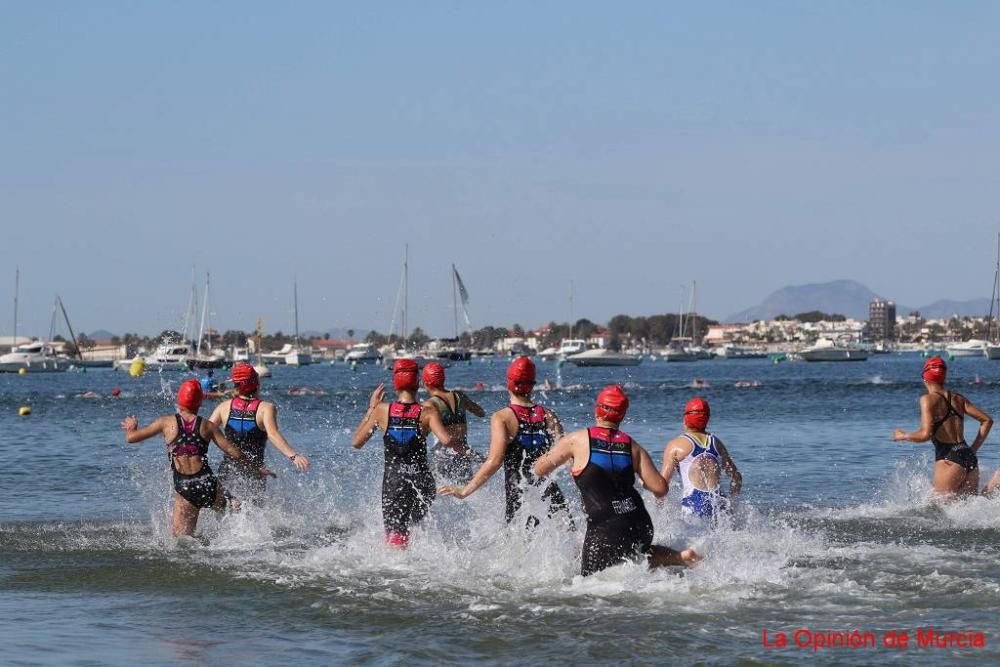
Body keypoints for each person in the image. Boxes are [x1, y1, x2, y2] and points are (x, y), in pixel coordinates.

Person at [534, 385, 701, 575]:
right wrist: (645, 483)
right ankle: (679, 557)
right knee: (637, 556)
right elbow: (661, 488)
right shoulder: (632, 446)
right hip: (639, 521)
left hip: (605, 527)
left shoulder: (576, 440)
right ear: (621, 415)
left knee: (588, 585)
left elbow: (539, 469)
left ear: (598, 410)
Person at [120, 379, 269, 537]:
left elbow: (131, 438)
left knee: (181, 541)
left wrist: (132, 427)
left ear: (179, 401)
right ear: (200, 404)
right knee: (227, 512)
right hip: (208, 484)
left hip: (186, 487)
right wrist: (257, 467)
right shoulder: (208, 426)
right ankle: (234, 507)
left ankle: (229, 504)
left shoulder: (165, 423)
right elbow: (233, 451)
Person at [439, 356, 571, 526]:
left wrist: (465, 490)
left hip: (520, 496)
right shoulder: (549, 415)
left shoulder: (502, 418)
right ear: (532, 385)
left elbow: (495, 461)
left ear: (509, 383)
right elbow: (566, 456)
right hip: (550, 494)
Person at [352, 359, 457, 547]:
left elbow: (357, 442)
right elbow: (446, 440)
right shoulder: (428, 412)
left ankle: (400, 568)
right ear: (417, 382)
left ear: (395, 382)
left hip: (395, 483)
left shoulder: (381, 410)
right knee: (417, 528)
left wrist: (371, 408)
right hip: (422, 481)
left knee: (397, 537)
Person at [208, 362, 310, 504]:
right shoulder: (266, 408)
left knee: (225, 511)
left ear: (236, 386)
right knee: (254, 510)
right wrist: (293, 456)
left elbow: (206, 430)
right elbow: (273, 434)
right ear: (256, 382)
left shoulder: (224, 407)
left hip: (228, 470)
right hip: (255, 471)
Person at [893, 356, 992, 496]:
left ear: (925, 378)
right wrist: (973, 449)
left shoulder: (927, 399)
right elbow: (987, 420)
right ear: (943, 378)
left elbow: (925, 435)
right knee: (967, 508)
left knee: (938, 509)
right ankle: (995, 483)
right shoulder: (958, 398)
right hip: (969, 456)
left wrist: (903, 436)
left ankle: (996, 480)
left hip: (949, 459)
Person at [661, 397, 742, 521]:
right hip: (719, 503)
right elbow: (737, 478)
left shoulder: (676, 445)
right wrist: (732, 504)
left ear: (686, 418)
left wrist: (658, 513)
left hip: (694, 504)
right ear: (707, 419)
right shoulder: (717, 443)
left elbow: (662, 484)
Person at [421, 362, 486, 483]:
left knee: (441, 495)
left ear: (426, 383)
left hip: (442, 458)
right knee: (464, 494)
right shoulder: (459, 396)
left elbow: (418, 435)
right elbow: (481, 412)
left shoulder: (429, 405)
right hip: (464, 455)